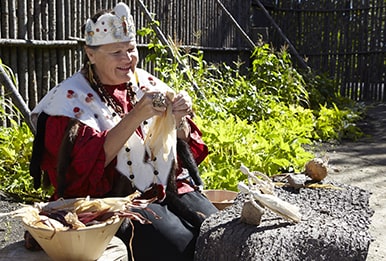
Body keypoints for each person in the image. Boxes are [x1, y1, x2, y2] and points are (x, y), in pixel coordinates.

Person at [28, 2, 218, 261]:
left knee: (218, 229)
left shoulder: (145, 83)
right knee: (180, 247)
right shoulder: (69, 102)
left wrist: (179, 119)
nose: (128, 59)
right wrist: (136, 115)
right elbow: (77, 176)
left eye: (131, 49)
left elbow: (182, 147)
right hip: (114, 200)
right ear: (91, 54)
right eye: (116, 51)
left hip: (164, 187)